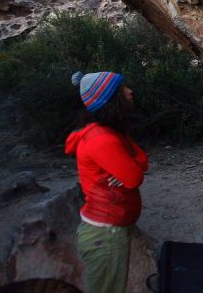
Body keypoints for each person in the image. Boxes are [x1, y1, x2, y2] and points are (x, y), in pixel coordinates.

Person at [65, 71, 148, 293]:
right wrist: (131, 167)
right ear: (110, 99)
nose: (130, 91)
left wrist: (131, 165)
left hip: (109, 230)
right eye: (122, 89)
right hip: (106, 235)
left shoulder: (111, 132)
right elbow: (134, 177)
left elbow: (142, 161)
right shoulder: (102, 139)